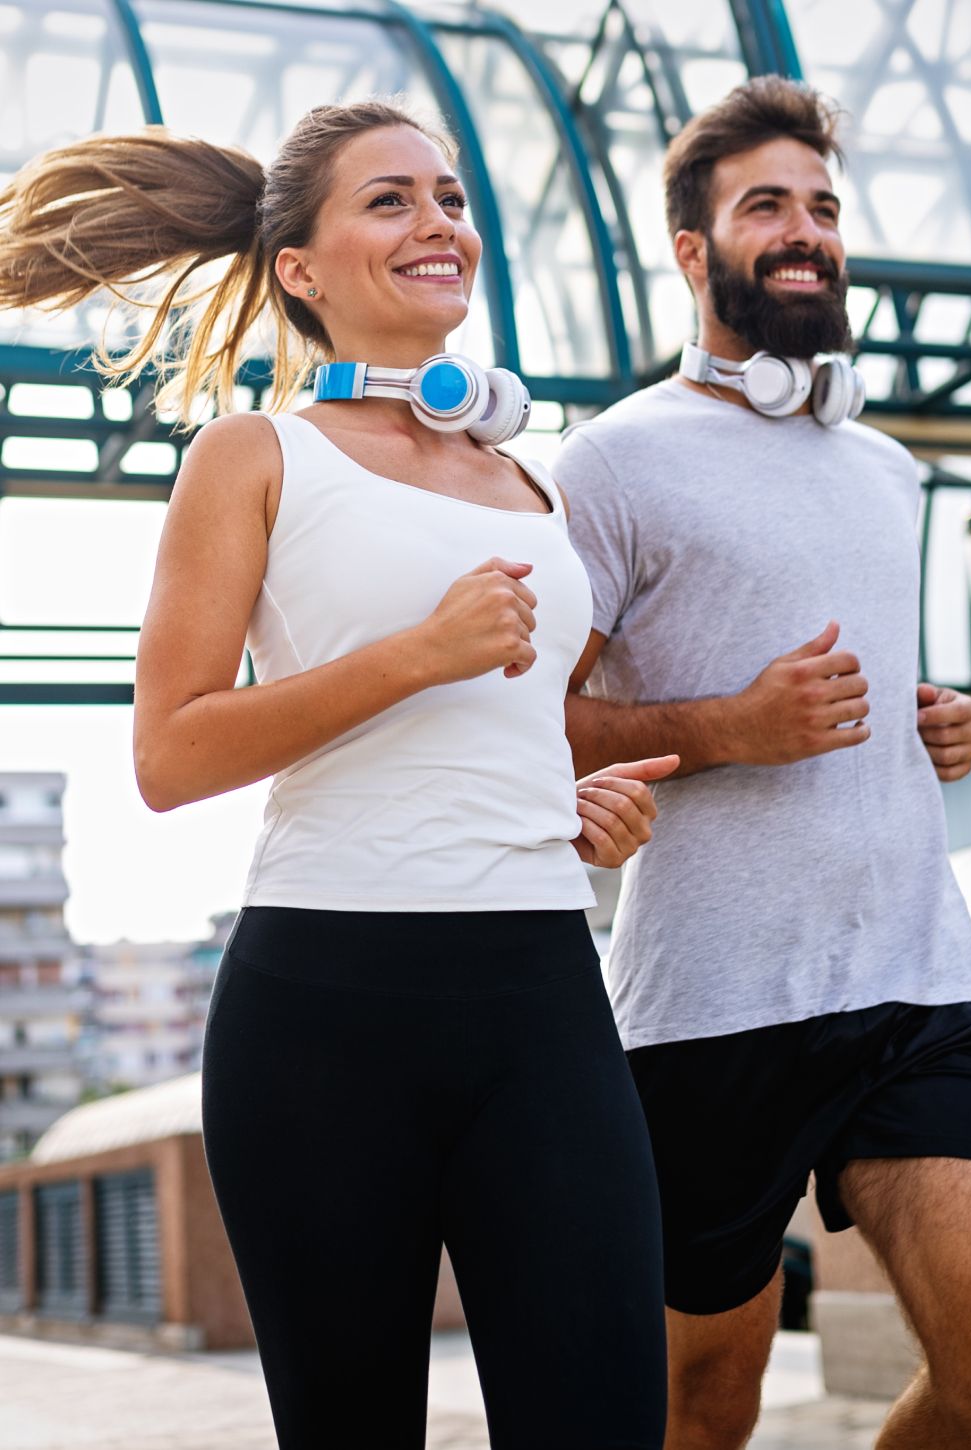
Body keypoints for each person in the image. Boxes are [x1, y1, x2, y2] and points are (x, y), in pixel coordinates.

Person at [0, 99, 676, 1450]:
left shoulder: (528, 485)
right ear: (299, 269)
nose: (439, 223)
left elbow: (511, 729)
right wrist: (416, 654)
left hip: (541, 993)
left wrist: (577, 808)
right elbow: (170, 751)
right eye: (389, 199)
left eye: (451, 197)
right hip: (324, 1010)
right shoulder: (254, 456)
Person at [556, 77, 971, 1450]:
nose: (806, 230)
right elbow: (527, 726)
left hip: (917, 975)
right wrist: (729, 727)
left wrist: (934, 721)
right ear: (693, 249)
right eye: (766, 204)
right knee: (699, 1404)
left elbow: (854, 683)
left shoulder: (887, 467)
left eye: (824, 206)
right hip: (707, 1004)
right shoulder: (610, 460)